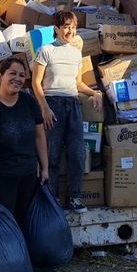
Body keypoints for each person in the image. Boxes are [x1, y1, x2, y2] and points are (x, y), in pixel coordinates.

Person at [32, 11, 102, 213]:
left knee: (77, 154)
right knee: (52, 155)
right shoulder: (46, 50)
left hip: (73, 104)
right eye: (65, 27)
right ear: (56, 29)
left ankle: (75, 198)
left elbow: (78, 82)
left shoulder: (75, 53)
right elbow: (36, 83)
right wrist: (44, 108)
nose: (69, 31)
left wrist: (94, 93)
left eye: (72, 27)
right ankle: (52, 199)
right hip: (52, 104)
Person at [0, 57, 49, 225]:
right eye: (12, 73)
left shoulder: (29, 102)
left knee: (26, 222)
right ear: (0, 77)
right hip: (1, 180)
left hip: (28, 176)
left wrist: (45, 168)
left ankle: (24, 251)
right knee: (4, 223)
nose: (18, 78)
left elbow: (40, 137)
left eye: (22, 75)